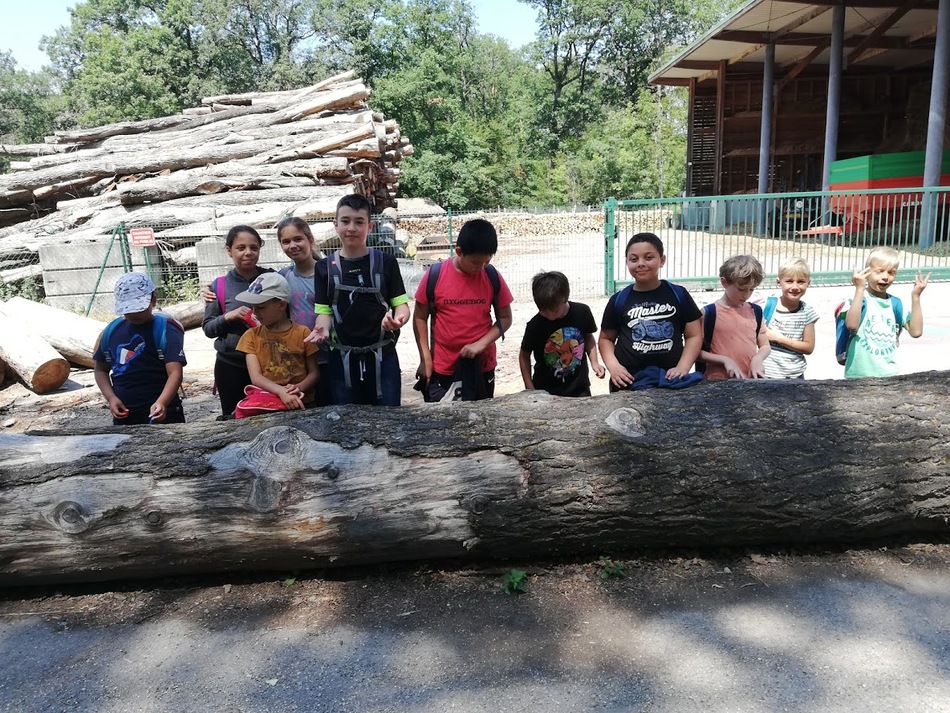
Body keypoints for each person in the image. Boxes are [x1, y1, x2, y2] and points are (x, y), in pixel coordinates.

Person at [305, 194, 410, 406]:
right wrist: (322, 329)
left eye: (359, 222)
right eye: (345, 221)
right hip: (341, 359)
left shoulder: (387, 262)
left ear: (370, 227)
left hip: (383, 356)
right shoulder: (324, 268)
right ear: (336, 225)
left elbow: (401, 306)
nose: (351, 228)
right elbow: (324, 312)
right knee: (346, 419)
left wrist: (398, 321)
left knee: (389, 418)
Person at [413, 218, 514, 402]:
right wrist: (425, 358)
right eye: (475, 262)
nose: (480, 268)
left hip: (481, 367)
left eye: (486, 262)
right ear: (459, 252)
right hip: (443, 368)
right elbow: (420, 317)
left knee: (481, 417)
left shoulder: (491, 275)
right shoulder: (435, 275)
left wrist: (481, 344)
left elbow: (506, 318)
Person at [599, 232, 701, 390]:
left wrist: (683, 367)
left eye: (648, 257)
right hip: (628, 382)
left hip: (670, 380)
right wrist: (614, 367)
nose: (641, 263)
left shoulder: (678, 294)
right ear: (627, 262)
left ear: (662, 260)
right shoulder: (619, 300)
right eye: (634, 259)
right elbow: (606, 339)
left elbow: (694, 335)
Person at [93, 272, 186, 425]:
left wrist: (162, 402)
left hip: (162, 411)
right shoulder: (112, 331)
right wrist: (111, 398)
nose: (134, 314)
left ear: (153, 300)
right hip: (125, 413)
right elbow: (101, 370)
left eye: (139, 308)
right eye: (129, 309)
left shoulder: (165, 330)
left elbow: (175, 372)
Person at [202, 225, 273, 419]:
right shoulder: (219, 285)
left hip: (269, 366)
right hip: (230, 367)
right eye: (241, 248)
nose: (248, 252)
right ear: (229, 251)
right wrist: (228, 316)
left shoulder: (272, 278)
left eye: (254, 247)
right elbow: (208, 328)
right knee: (234, 418)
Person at [839, 247, 928, 378]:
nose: (885, 277)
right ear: (867, 272)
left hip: (889, 374)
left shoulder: (895, 304)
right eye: (879, 271)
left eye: (891, 272)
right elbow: (852, 325)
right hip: (858, 375)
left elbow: (916, 332)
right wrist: (859, 289)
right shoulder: (857, 300)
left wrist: (916, 297)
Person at [235, 272, 319, 412]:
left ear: (281, 305)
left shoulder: (303, 333)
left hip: (303, 401)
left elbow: (314, 373)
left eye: (261, 307)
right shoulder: (251, 336)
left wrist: (298, 388)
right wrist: (281, 392)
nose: (255, 313)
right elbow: (256, 377)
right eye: (254, 307)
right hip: (269, 403)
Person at [519, 271, 605, 396]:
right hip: (546, 390)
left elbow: (588, 338)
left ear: (565, 298)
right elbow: (524, 355)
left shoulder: (582, 313)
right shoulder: (535, 325)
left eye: (554, 310)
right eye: (543, 310)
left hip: (579, 388)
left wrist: (594, 362)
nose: (549, 315)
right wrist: (529, 387)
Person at [699, 254, 771, 380]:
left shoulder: (756, 312)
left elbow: (765, 346)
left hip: (749, 380)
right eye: (741, 289)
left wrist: (758, 358)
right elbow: (694, 352)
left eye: (751, 289)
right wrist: (724, 360)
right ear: (724, 282)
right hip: (717, 382)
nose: (746, 295)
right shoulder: (709, 313)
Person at [762, 257, 819, 379]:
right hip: (766, 373)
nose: (795, 287)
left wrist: (778, 338)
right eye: (789, 281)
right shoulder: (767, 306)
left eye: (801, 282)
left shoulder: (807, 313)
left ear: (809, 283)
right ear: (778, 282)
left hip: (794, 375)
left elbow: (809, 347)